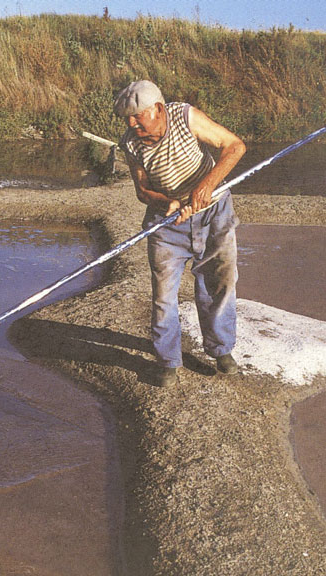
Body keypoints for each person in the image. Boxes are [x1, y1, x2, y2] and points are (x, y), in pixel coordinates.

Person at [115, 80, 246, 387]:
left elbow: (235, 147)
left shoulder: (185, 117)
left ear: (158, 109)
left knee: (219, 284)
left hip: (214, 214)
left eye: (136, 116)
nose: (131, 124)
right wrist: (168, 203)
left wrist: (206, 185)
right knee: (164, 297)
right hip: (167, 226)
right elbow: (143, 190)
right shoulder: (131, 142)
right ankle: (168, 361)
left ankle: (221, 350)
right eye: (126, 118)